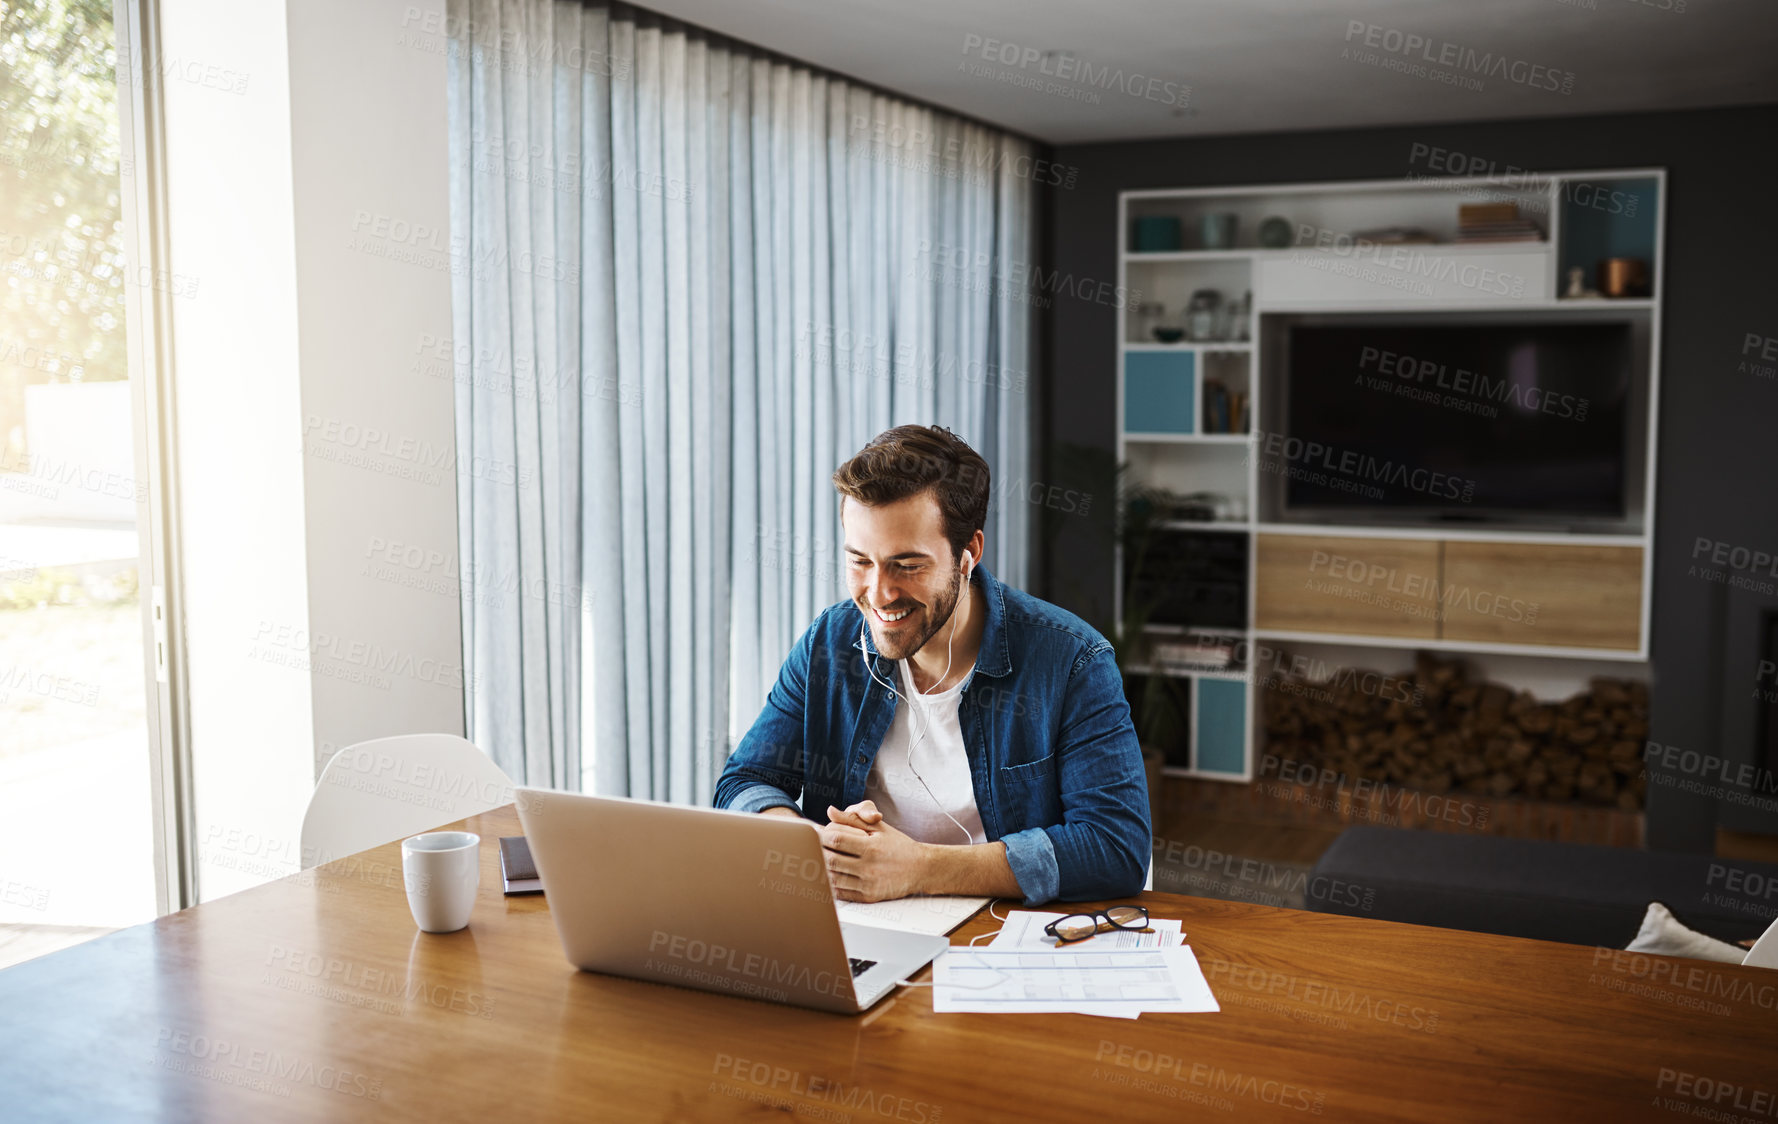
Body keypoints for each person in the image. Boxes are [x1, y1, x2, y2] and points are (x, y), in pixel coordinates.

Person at [713, 424, 1149, 905]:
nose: (879, 594)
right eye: (860, 561)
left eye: (907, 565)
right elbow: (744, 781)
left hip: (998, 937)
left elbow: (1116, 847)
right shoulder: (827, 645)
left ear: (969, 554)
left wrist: (919, 868)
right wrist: (811, 843)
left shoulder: (1072, 661)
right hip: (860, 931)